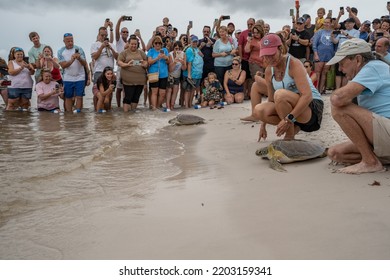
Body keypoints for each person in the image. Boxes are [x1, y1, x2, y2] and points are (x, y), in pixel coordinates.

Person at [326, 38, 390, 174]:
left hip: (387, 129)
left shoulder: (373, 67)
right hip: (382, 133)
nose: (340, 69)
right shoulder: (372, 69)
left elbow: (338, 99)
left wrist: (339, 93)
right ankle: (374, 158)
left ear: (358, 59)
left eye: (342, 64)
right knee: (335, 153)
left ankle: (370, 162)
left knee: (339, 108)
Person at [253, 34, 323, 140]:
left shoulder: (293, 64)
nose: (269, 59)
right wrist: (263, 125)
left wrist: (288, 119)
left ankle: (289, 135)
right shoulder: (269, 70)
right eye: (266, 55)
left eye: (272, 54)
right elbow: (271, 100)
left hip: (312, 108)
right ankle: (293, 127)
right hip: (291, 111)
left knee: (280, 95)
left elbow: (307, 96)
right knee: (259, 110)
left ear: (280, 49)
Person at [58, 33, 88, 113]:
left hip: (80, 76)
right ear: (64, 41)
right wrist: (72, 59)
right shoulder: (61, 51)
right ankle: (68, 114)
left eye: (72, 40)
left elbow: (84, 63)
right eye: (68, 41)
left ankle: (78, 112)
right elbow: (63, 65)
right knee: (68, 96)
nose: (70, 42)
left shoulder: (79, 49)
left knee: (79, 96)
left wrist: (79, 58)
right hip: (68, 77)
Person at [117, 36, 148, 112]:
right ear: (128, 43)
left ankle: (132, 115)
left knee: (136, 97)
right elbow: (119, 62)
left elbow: (146, 62)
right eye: (132, 44)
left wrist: (144, 64)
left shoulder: (141, 52)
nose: (134, 45)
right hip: (128, 80)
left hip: (140, 81)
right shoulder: (124, 52)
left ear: (137, 44)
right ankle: (126, 115)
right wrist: (127, 64)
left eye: (135, 44)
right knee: (128, 97)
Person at [91, 26, 118, 110]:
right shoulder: (95, 44)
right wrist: (102, 47)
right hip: (99, 71)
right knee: (98, 94)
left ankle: (108, 110)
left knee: (109, 92)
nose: (103, 37)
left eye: (105, 35)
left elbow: (117, 57)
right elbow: (94, 57)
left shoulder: (112, 45)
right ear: (98, 35)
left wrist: (110, 48)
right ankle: (97, 110)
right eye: (102, 35)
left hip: (110, 72)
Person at [312, 17, 336, 94]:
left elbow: (335, 45)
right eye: (325, 22)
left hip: (329, 56)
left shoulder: (334, 32)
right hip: (319, 55)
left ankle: (320, 90)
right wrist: (316, 54)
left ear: (331, 23)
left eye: (327, 22)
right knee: (317, 73)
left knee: (324, 74)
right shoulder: (319, 32)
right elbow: (314, 44)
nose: (326, 24)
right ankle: (315, 90)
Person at [147, 36, 169, 109]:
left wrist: (165, 57)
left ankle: (158, 105)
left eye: (159, 43)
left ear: (161, 44)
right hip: (153, 73)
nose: (157, 44)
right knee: (154, 92)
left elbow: (168, 61)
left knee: (162, 93)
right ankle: (154, 108)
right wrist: (157, 58)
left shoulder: (165, 50)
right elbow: (149, 62)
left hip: (163, 74)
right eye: (156, 43)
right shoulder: (151, 51)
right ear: (153, 44)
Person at [182, 36, 204, 108]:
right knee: (188, 89)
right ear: (190, 42)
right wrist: (189, 74)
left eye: (196, 41)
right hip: (192, 73)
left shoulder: (197, 49)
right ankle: (186, 105)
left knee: (193, 89)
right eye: (193, 41)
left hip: (198, 73)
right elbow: (189, 63)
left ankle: (190, 103)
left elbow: (202, 56)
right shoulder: (189, 50)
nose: (194, 43)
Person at [238, 18, 256, 99]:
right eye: (248, 24)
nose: (249, 25)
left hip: (253, 59)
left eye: (251, 24)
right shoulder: (243, 33)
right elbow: (240, 45)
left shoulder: (256, 33)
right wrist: (241, 58)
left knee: (252, 77)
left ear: (254, 24)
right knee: (245, 77)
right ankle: (244, 92)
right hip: (245, 59)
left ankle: (251, 93)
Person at [114, 15, 130, 107]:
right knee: (119, 88)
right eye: (123, 32)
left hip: (127, 66)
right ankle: (118, 105)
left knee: (126, 88)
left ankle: (125, 105)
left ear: (128, 34)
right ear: (121, 33)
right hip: (120, 66)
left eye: (126, 32)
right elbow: (116, 30)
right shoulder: (119, 40)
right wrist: (120, 19)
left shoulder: (129, 42)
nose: (125, 33)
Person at [166, 41, 187, 110]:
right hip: (170, 76)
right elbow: (170, 69)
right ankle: (168, 106)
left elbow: (184, 68)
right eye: (176, 48)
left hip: (177, 76)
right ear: (173, 48)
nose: (177, 50)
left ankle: (172, 105)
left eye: (179, 48)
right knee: (169, 91)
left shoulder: (183, 54)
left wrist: (183, 63)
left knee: (175, 90)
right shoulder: (170, 55)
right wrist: (174, 62)